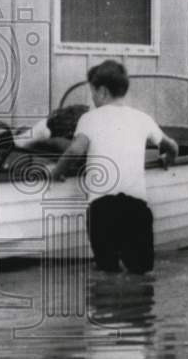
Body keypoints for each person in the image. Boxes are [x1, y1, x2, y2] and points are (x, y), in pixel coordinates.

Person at [51, 60, 178, 274]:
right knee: (141, 272)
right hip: (136, 208)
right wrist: (169, 158)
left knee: (107, 272)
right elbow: (172, 145)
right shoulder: (142, 118)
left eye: (92, 92)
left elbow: (74, 151)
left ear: (102, 91)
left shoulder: (89, 118)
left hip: (103, 208)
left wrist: (57, 172)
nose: (91, 98)